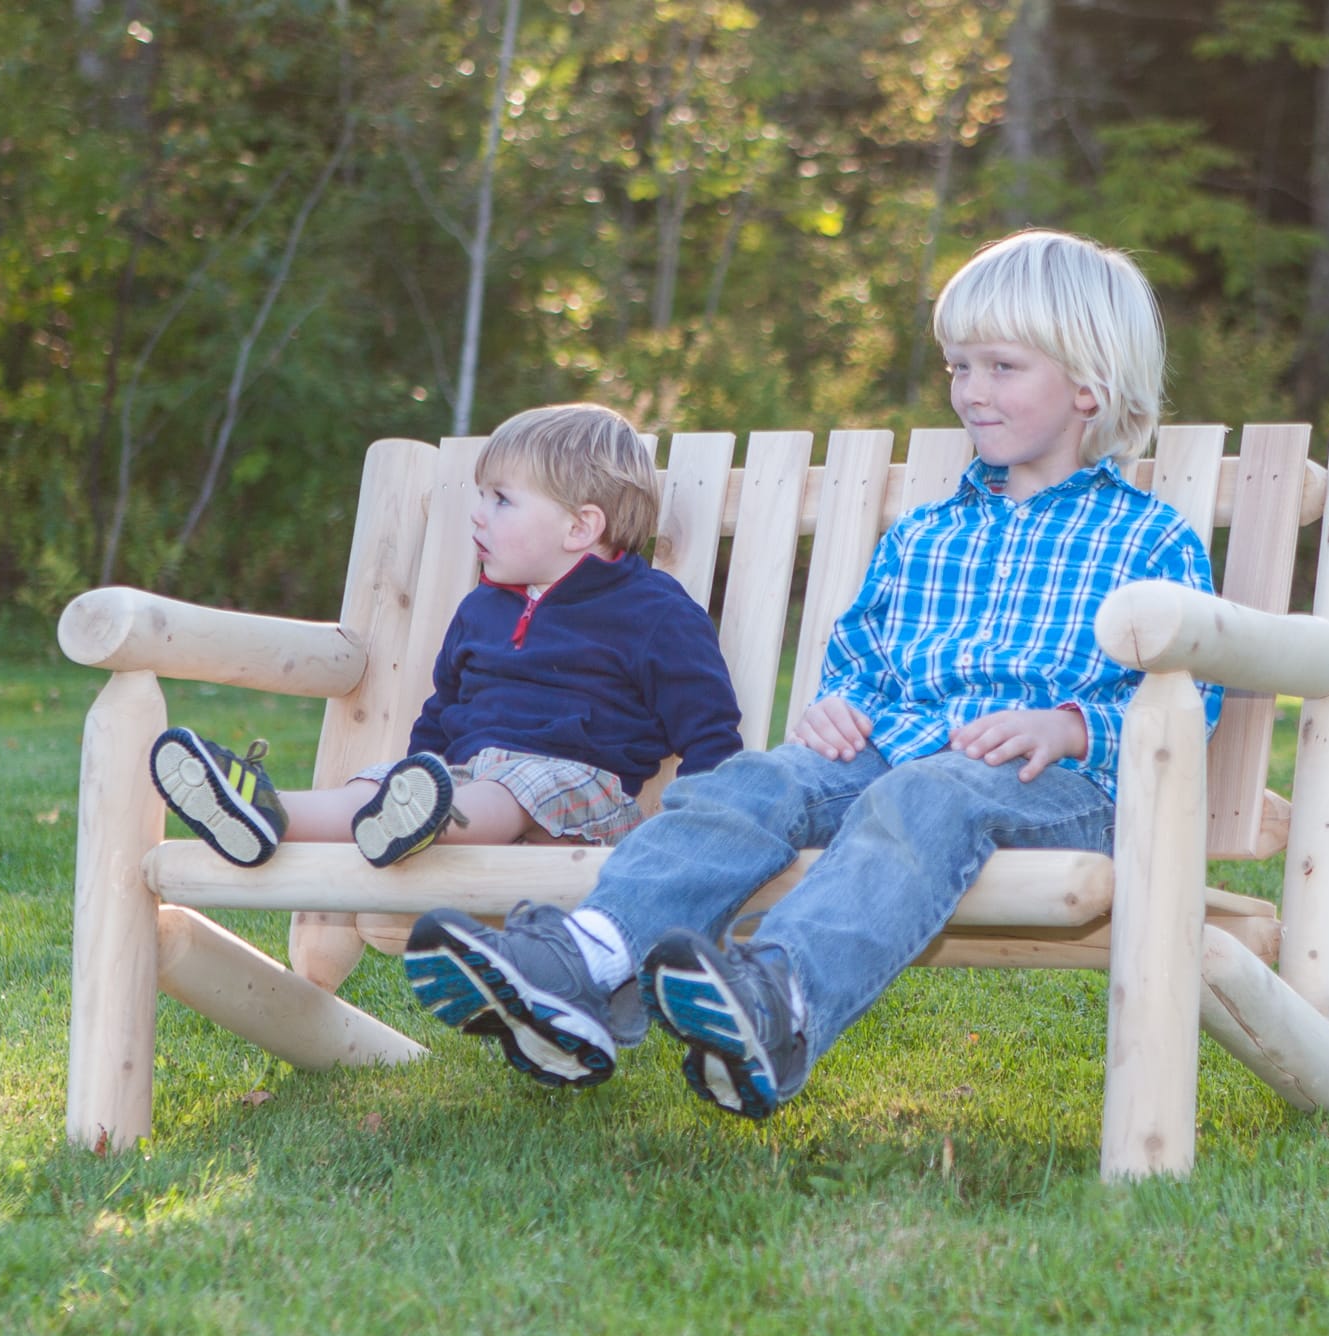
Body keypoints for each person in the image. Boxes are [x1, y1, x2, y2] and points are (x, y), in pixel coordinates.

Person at [403, 229, 1225, 1111]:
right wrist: (842, 706)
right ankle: (589, 957)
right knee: (755, 781)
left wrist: (1066, 726)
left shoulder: (1146, 538)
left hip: (1056, 789)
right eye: (958, 367)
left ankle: (779, 1001)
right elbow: (864, 656)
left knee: (935, 792)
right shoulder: (926, 535)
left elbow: (1190, 690)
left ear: (1089, 387)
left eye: (1000, 367)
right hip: (891, 760)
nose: (970, 391)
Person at [149, 402, 744, 878]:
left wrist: (691, 834)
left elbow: (710, 731)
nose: (478, 514)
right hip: (460, 785)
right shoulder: (481, 608)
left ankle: (417, 817)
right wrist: (415, 770)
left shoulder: (655, 613)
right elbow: (443, 709)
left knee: (507, 788)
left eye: (501, 499)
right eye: (481, 496)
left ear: (580, 526)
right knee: (376, 783)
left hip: (578, 798)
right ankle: (261, 808)